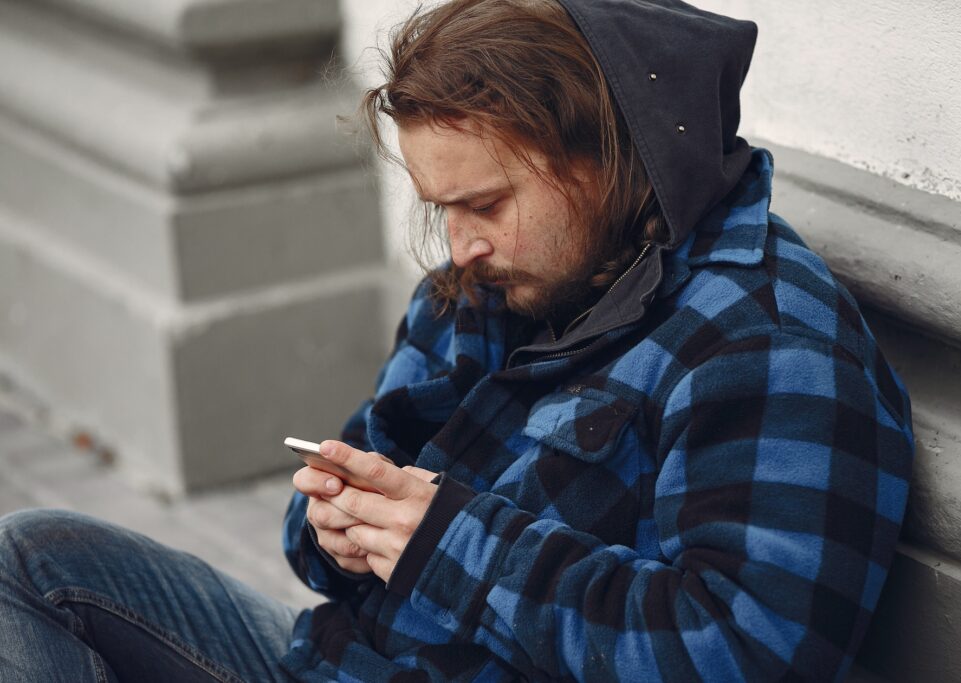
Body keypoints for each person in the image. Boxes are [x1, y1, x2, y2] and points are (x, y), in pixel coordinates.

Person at [0, 0, 914, 681]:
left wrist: (443, 541)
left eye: (485, 203)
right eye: (443, 208)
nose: (462, 244)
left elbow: (743, 653)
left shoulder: (768, 344)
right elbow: (327, 522)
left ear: (610, 158)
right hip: (335, 661)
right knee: (33, 558)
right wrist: (336, 524)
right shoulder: (489, 283)